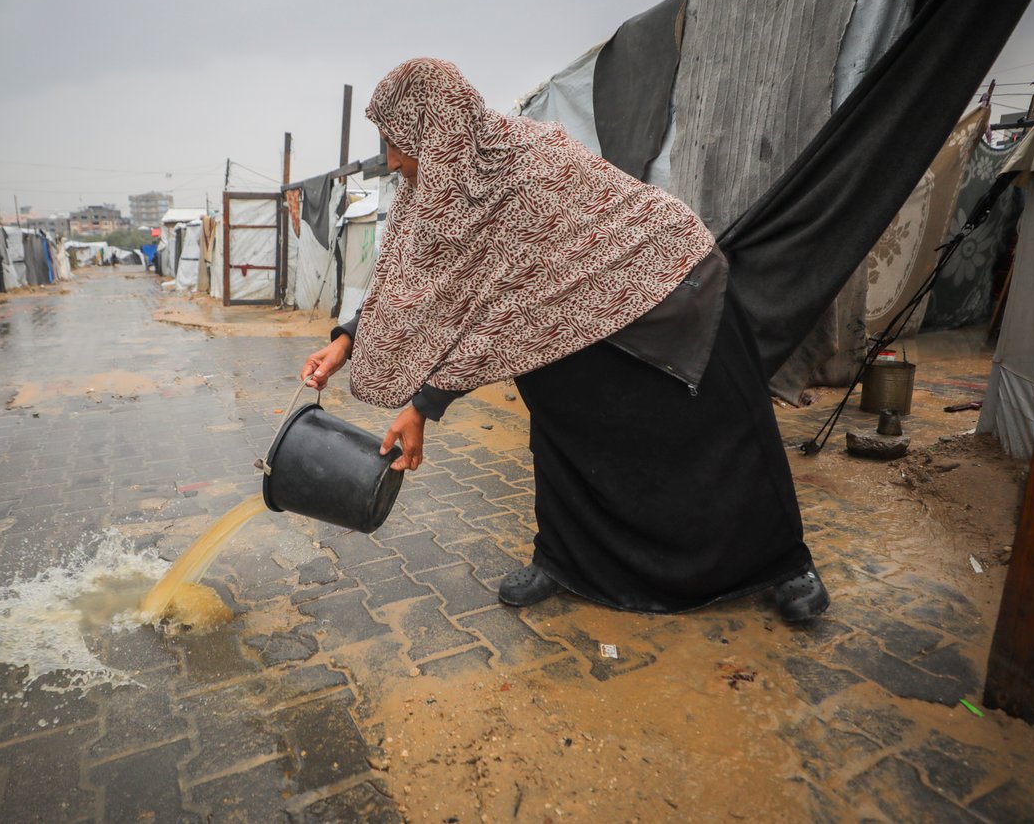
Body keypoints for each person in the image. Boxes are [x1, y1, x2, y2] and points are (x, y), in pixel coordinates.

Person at [300, 58, 828, 622]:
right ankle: (565, 560)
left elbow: (504, 307)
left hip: (664, 299)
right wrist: (347, 340)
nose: (396, 159)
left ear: (442, 130)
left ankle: (782, 563)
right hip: (559, 336)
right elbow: (420, 280)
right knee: (567, 446)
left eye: (402, 141)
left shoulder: (533, 164)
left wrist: (426, 405)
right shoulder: (434, 188)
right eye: (388, 142)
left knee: (719, 442)